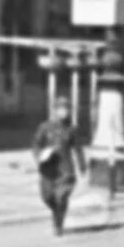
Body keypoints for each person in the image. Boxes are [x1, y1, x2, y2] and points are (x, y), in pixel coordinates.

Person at [31, 97, 87, 236]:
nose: (64, 112)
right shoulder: (45, 127)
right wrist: (39, 156)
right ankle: (57, 213)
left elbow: (78, 148)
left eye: (67, 109)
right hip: (48, 169)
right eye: (61, 109)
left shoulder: (72, 129)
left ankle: (58, 225)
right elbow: (36, 144)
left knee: (61, 197)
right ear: (55, 110)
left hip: (65, 169)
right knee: (47, 197)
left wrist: (82, 165)